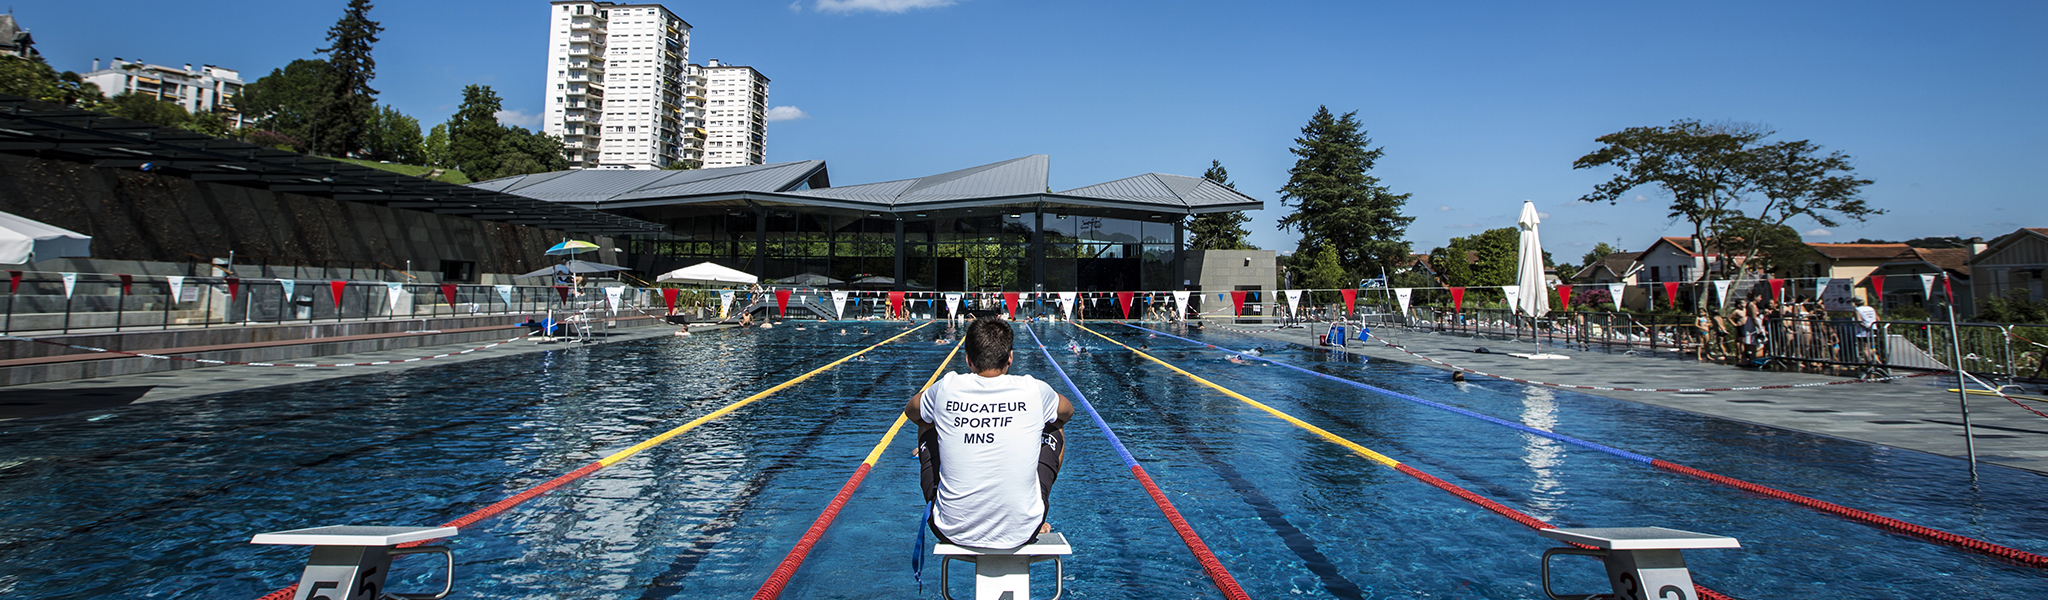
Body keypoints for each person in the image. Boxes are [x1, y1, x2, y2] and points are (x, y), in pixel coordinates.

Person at [905, 316, 1075, 549]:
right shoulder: (1033, 389)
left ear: (968, 360)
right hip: (1023, 530)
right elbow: (1067, 412)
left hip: (949, 529)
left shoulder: (947, 386)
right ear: (1010, 358)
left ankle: (943, 501)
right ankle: (1035, 512)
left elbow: (911, 411)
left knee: (926, 419)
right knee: (1054, 425)